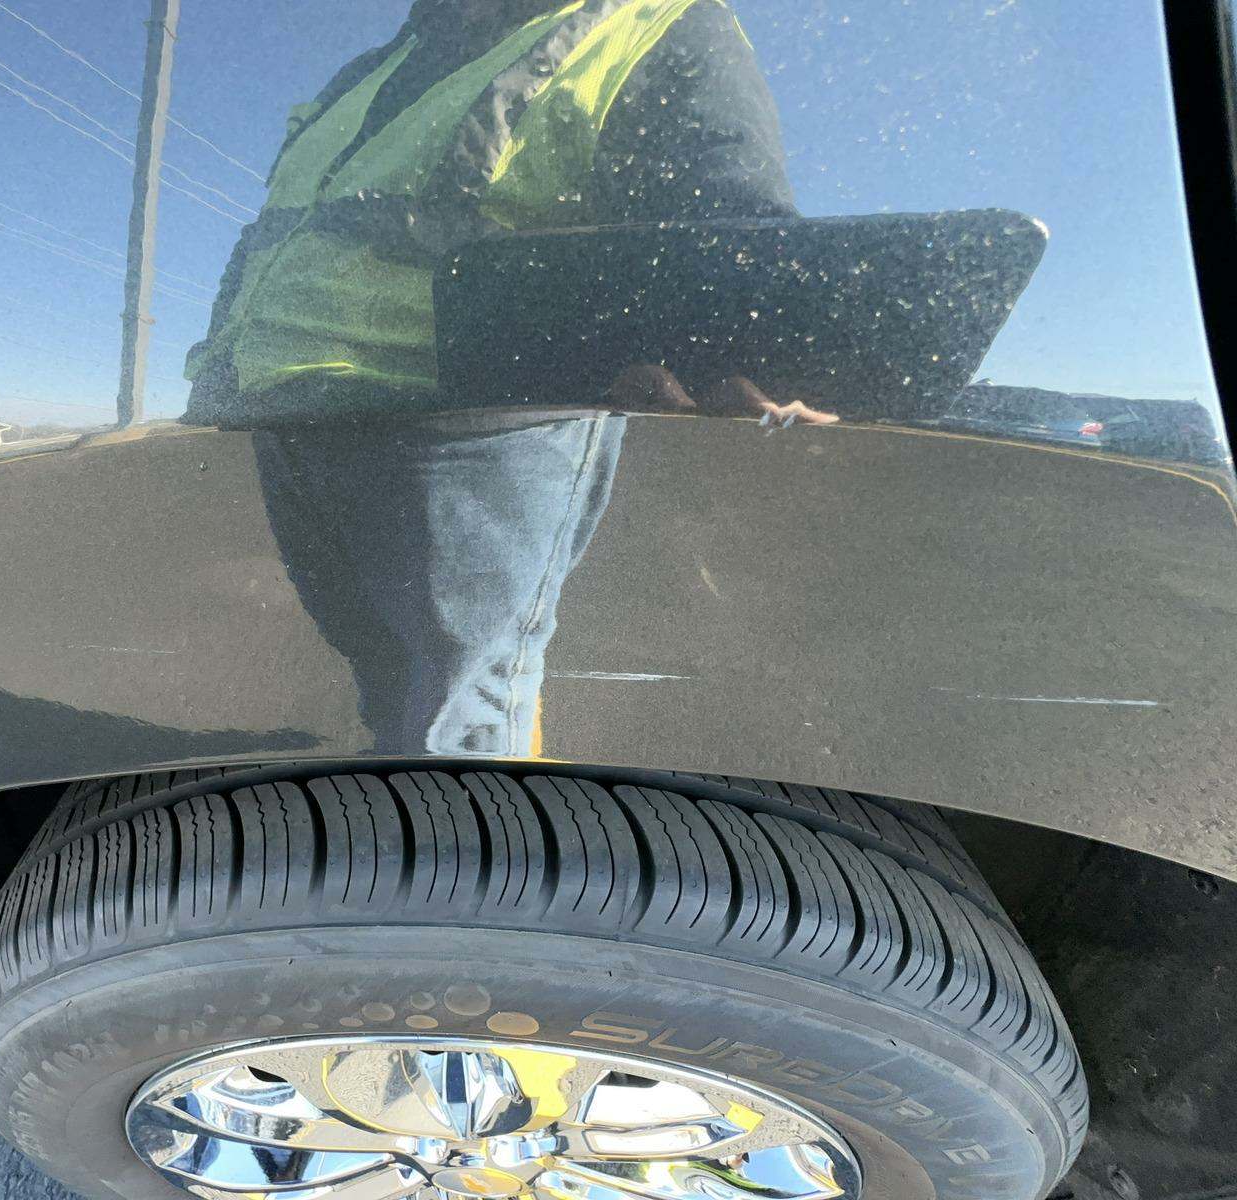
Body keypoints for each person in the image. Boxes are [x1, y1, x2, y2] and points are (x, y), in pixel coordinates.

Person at [190, 0, 826, 756]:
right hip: (279, 408)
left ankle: (459, 851)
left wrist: (739, 355)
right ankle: (398, 792)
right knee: (378, 667)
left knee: (461, 716)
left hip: (467, 431)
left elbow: (729, 227)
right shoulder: (381, 63)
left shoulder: (653, 22)